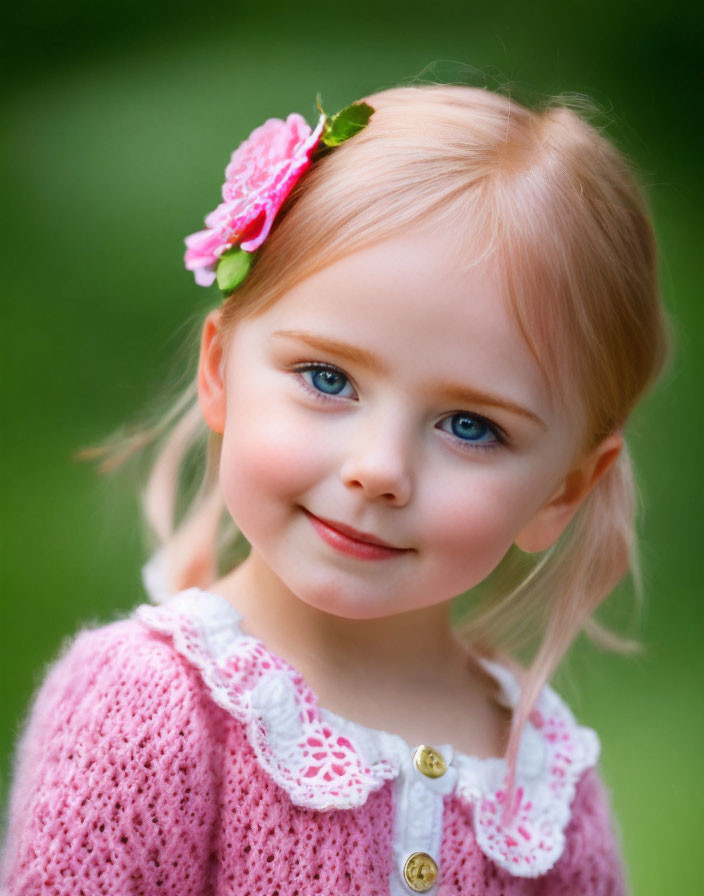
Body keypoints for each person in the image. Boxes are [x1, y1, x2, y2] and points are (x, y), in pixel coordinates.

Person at [1, 83, 669, 895]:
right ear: (220, 372)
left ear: (562, 492)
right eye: (327, 377)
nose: (379, 468)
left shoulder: (542, 786)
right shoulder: (152, 710)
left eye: (470, 426)